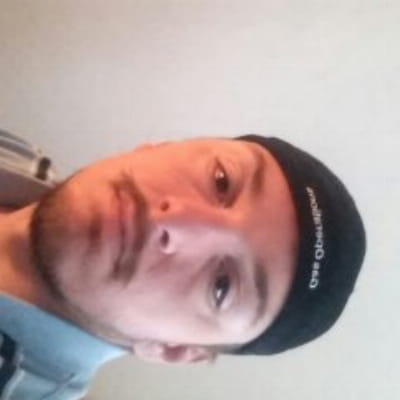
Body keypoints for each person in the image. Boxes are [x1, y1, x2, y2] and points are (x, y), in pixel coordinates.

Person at [0, 129, 366, 400]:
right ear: (162, 146)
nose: (175, 222)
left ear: (172, 350)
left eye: (222, 286)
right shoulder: (23, 159)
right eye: (221, 180)